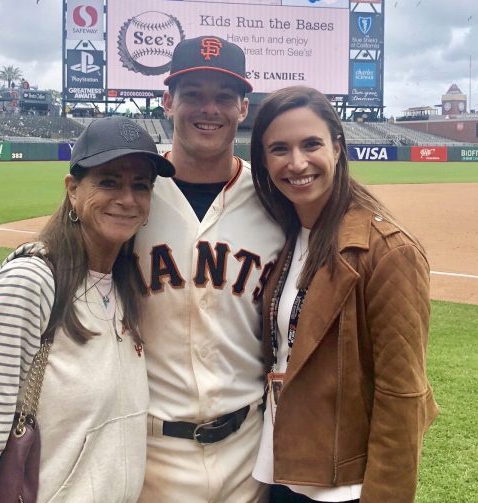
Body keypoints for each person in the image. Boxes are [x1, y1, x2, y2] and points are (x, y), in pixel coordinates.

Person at [0, 116, 175, 502]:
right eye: (109, 182)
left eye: (141, 186)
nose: (127, 199)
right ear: (73, 190)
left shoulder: (124, 283)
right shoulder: (31, 283)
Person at [250, 86, 439, 503]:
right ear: (263, 161)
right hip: (284, 469)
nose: (297, 163)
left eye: (311, 144)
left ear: (337, 148)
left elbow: (402, 397)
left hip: (343, 488)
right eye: (279, 149)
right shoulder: (286, 234)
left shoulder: (388, 250)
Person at [134, 36, 285, 502]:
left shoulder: (277, 202)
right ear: (167, 101)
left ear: (243, 107)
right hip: (149, 454)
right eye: (193, 93)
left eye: (223, 96)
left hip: (250, 451)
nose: (208, 108)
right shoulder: (130, 196)